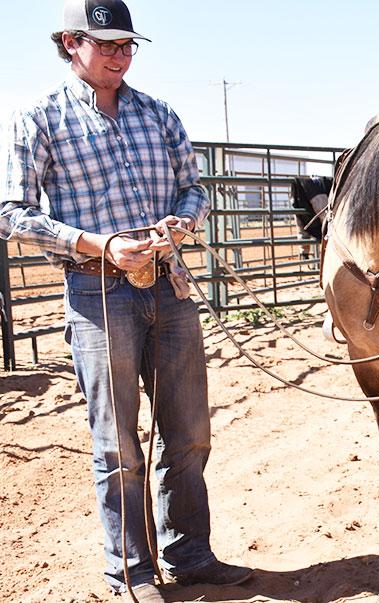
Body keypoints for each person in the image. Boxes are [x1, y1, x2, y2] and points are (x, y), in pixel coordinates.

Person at [0, 1, 252, 600]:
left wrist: (181, 225)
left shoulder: (158, 115)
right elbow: (11, 213)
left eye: (125, 45)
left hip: (168, 283)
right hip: (95, 292)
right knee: (117, 442)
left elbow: (194, 188)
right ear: (70, 43)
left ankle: (189, 553)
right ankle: (132, 571)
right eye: (104, 43)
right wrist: (97, 243)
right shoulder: (39, 120)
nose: (118, 55)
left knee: (188, 430)